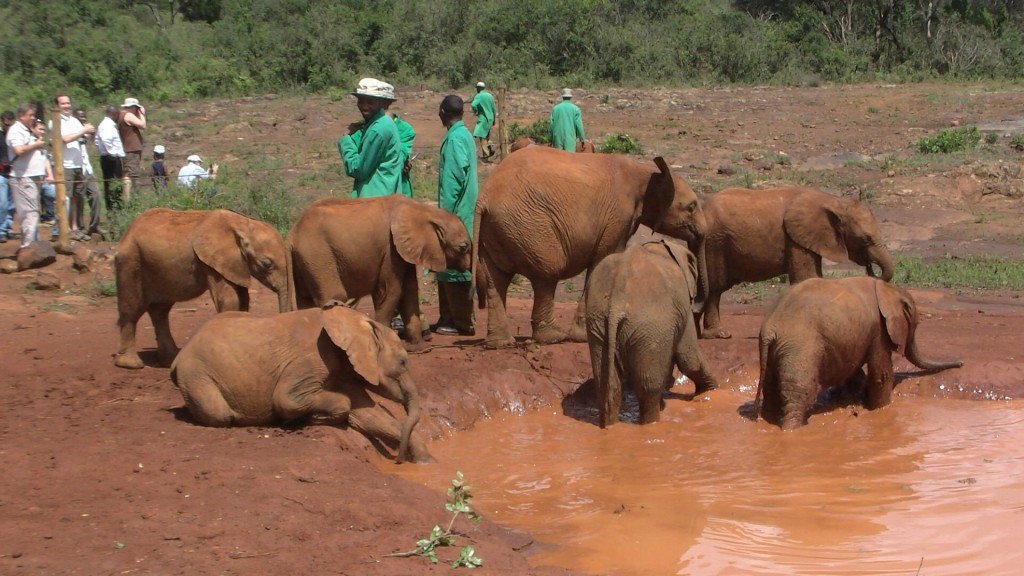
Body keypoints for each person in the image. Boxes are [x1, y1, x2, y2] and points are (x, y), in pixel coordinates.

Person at [431, 95, 478, 336]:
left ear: (443, 112)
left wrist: (444, 218)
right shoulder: (464, 135)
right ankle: (447, 317)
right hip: (464, 212)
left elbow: (453, 180)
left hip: (456, 215)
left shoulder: (455, 138)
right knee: (449, 266)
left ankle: (461, 321)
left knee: (455, 265)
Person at [337, 78, 403, 198]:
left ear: (382, 103)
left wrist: (345, 140)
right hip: (385, 196)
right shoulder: (382, 123)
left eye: (370, 102)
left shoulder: (377, 129)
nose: (364, 106)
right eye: (361, 101)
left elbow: (359, 169)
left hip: (375, 199)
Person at [52, 96, 101, 241]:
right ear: (57, 105)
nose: (66, 106)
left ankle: (74, 228)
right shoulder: (55, 121)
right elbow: (64, 139)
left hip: (78, 164)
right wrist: (83, 131)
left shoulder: (73, 121)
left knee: (75, 198)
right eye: (63, 103)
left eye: (68, 103)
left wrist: (90, 132)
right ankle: (62, 230)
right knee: (64, 199)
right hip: (65, 165)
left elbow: (83, 136)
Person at [5, 103, 49, 250]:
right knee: (30, 214)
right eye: (30, 115)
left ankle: (29, 246)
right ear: (21, 116)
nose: (33, 118)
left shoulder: (28, 130)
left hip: (32, 176)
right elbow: (18, 150)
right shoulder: (15, 130)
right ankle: (27, 248)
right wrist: (35, 145)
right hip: (22, 177)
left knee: (30, 214)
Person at [94, 104, 124, 210]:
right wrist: (112, 154)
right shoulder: (106, 125)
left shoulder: (105, 125)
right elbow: (105, 140)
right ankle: (114, 209)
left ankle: (114, 208)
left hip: (108, 157)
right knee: (114, 185)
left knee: (112, 185)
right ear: (114, 114)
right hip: (111, 159)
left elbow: (97, 142)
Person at [117, 97, 146, 202]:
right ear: (133, 107)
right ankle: (129, 200)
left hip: (128, 149)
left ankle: (130, 199)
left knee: (129, 174)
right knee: (130, 175)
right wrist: (142, 114)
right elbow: (143, 125)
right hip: (131, 149)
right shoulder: (128, 115)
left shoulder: (121, 115)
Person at [549, 88, 585, 152]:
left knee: (558, 158)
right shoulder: (576, 109)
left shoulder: (555, 109)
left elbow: (552, 125)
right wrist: (582, 139)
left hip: (557, 137)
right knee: (569, 159)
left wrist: (550, 139)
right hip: (570, 137)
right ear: (571, 97)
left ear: (562, 97)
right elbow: (579, 125)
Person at [470, 81, 496, 161]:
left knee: (481, 136)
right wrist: (494, 119)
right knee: (486, 134)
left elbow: (473, 105)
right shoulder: (489, 95)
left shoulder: (479, 96)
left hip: (483, 117)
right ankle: (490, 145)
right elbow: (493, 108)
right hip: (490, 118)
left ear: (478, 88)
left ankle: (486, 155)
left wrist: (476, 112)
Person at [0, 110, 14, 243]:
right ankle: (1, 230)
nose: (8, 127)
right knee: (3, 203)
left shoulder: (15, 136)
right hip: (1, 174)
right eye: (6, 124)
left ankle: (8, 227)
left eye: (10, 124)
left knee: (12, 204)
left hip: (14, 173)